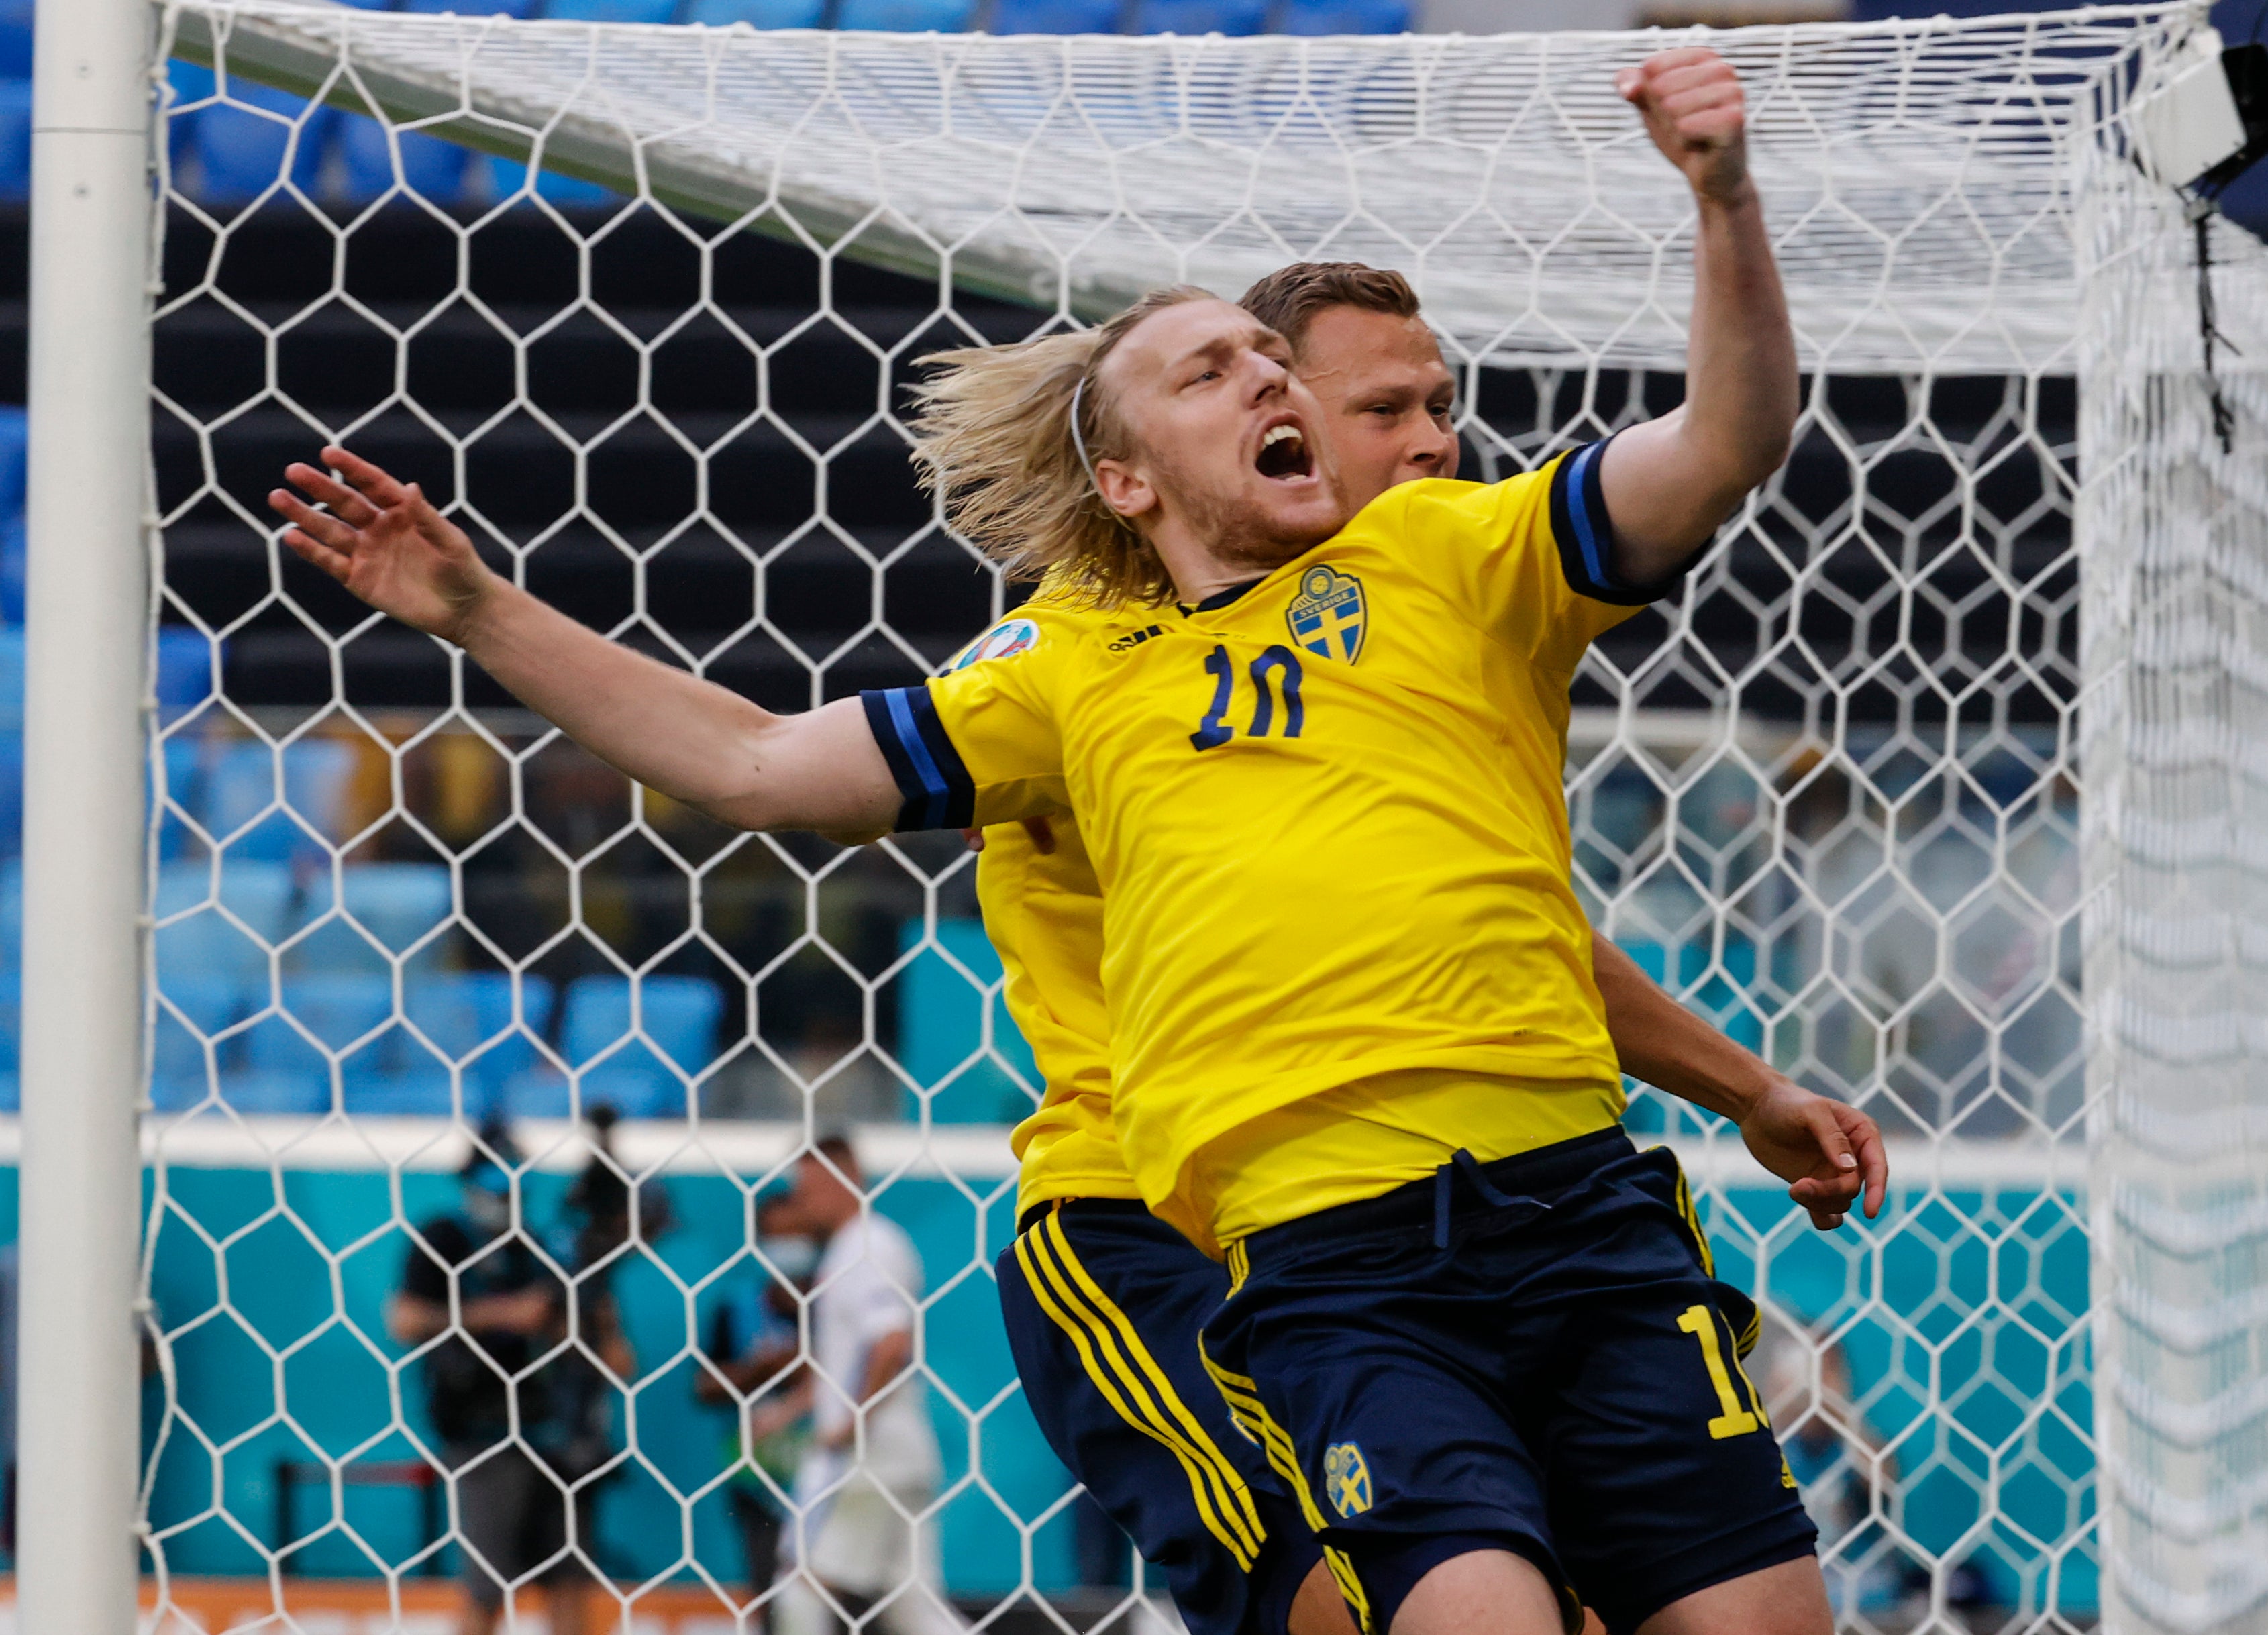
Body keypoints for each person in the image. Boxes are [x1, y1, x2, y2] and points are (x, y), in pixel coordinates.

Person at [273, 46, 1856, 1634]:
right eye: (1216, 371)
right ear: (1123, 477)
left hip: (1574, 1197)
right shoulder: (1068, 672)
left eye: (1272, 364)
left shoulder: (1455, 565)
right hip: (1265, 1230)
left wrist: (1721, 196)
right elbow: (752, 761)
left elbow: (1714, 455)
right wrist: (477, 608)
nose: (1295, 394)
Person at [975, 260, 1886, 1635]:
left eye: (1440, 407)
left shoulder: (1389, 612)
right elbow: (763, 765)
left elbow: (1501, 934)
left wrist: (1749, 1089)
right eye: (1384, 408)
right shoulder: (1081, 653)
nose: (1432, 445)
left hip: (1452, 1195)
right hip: (1157, 1215)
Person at [391, 1126, 619, 1635]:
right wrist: (501, 1313)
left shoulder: (541, 1247)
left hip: (557, 1436)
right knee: (488, 1585)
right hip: (484, 1434)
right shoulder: (445, 1237)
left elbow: (616, 1357)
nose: (505, 1198)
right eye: (497, 1186)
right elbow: (404, 1319)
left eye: (513, 1187)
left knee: (570, 1583)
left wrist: (578, 1319)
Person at [762, 1137, 958, 1635]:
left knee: (800, 1583)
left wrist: (850, 1422)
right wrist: (785, 1412)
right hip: (900, 1455)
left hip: (864, 1460)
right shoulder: (851, 1248)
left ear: (841, 1178)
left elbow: (891, 1342)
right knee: (915, 1608)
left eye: (807, 1187)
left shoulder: (870, 1245)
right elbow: (838, 1361)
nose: (801, 1200)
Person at [697, 1194, 821, 1633]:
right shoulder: (736, 1306)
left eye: (797, 1235)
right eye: (777, 1236)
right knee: (771, 1595)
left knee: (830, 1594)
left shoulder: (835, 1301)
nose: (788, 1245)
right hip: (757, 1477)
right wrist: (764, 1367)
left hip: (828, 1475)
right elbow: (704, 1385)